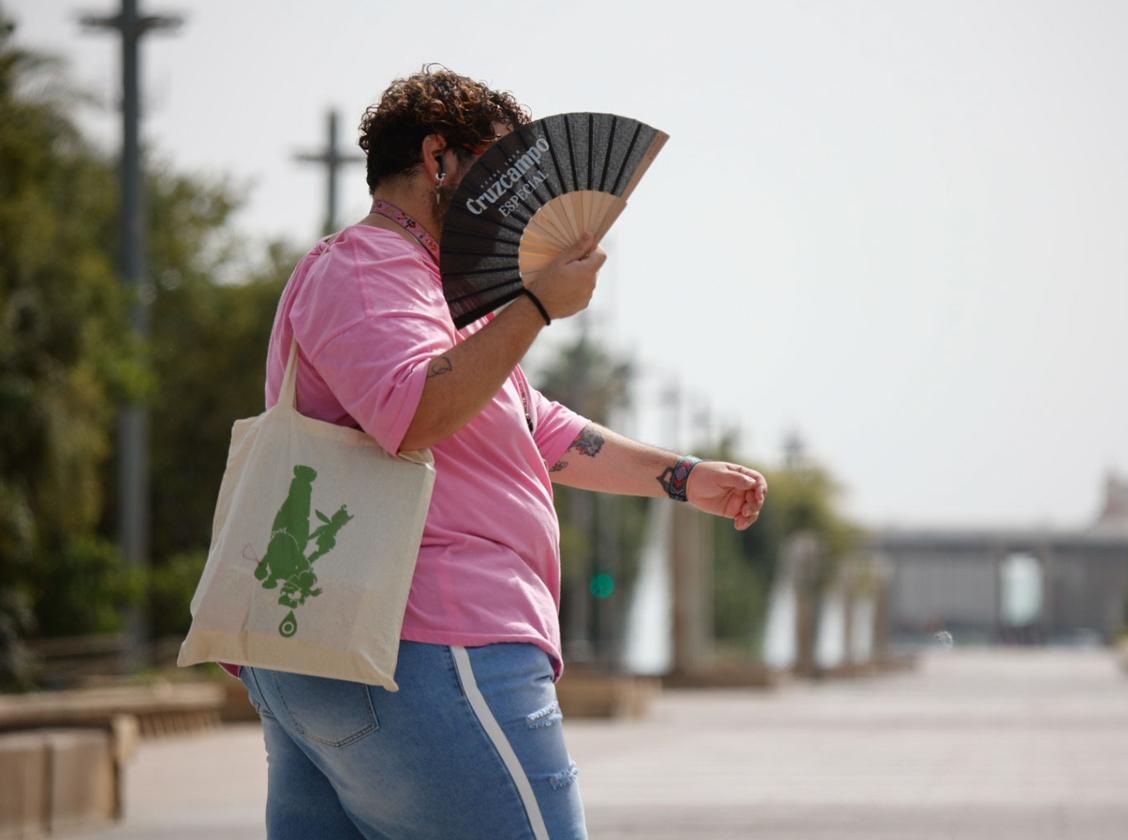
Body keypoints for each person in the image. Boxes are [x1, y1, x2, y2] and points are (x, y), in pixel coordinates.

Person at [224, 66, 768, 840]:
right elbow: (413, 411)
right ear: (439, 159)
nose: (518, 200)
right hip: (433, 643)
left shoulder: (430, 291)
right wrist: (540, 305)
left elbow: (533, 425)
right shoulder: (370, 266)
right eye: (501, 169)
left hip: (346, 639)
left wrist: (680, 477)